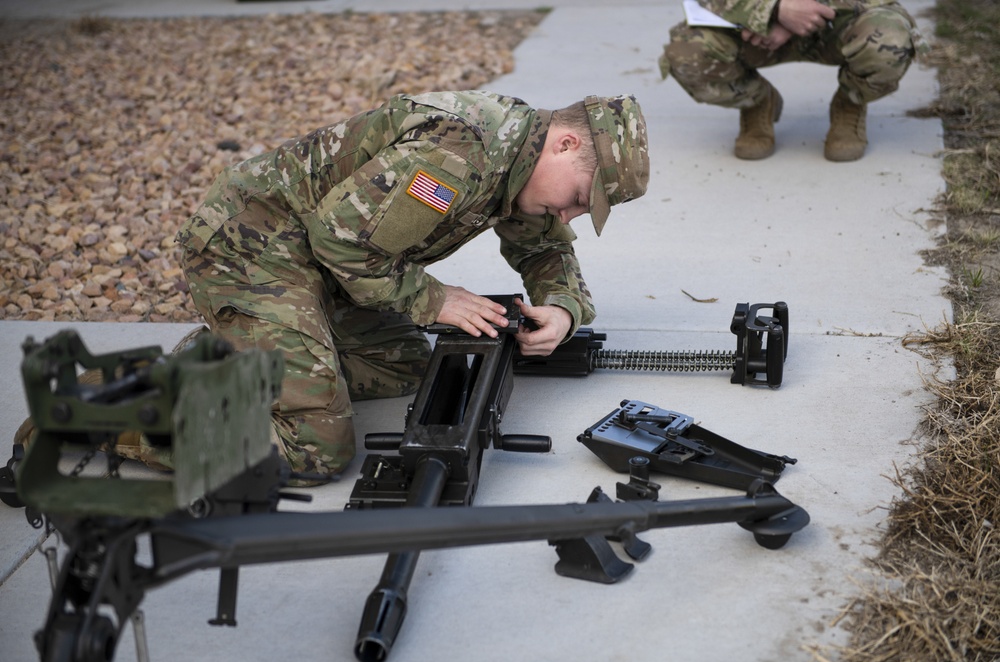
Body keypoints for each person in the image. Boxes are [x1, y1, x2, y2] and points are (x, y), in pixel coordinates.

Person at [173, 91, 649, 481]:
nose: (569, 216)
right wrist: (432, 297)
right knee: (315, 449)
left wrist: (563, 308)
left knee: (404, 364)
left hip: (317, 265)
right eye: (579, 199)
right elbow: (341, 242)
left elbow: (545, 248)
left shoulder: (519, 154)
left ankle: (240, 354)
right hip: (252, 249)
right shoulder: (458, 154)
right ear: (564, 145)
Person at [659, 0, 925, 161]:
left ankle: (850, 103)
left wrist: (798, 11)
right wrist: (772, 10)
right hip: (754, 26)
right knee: (687, 52)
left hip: (837, 21)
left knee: (890, 40)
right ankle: (758, 102)